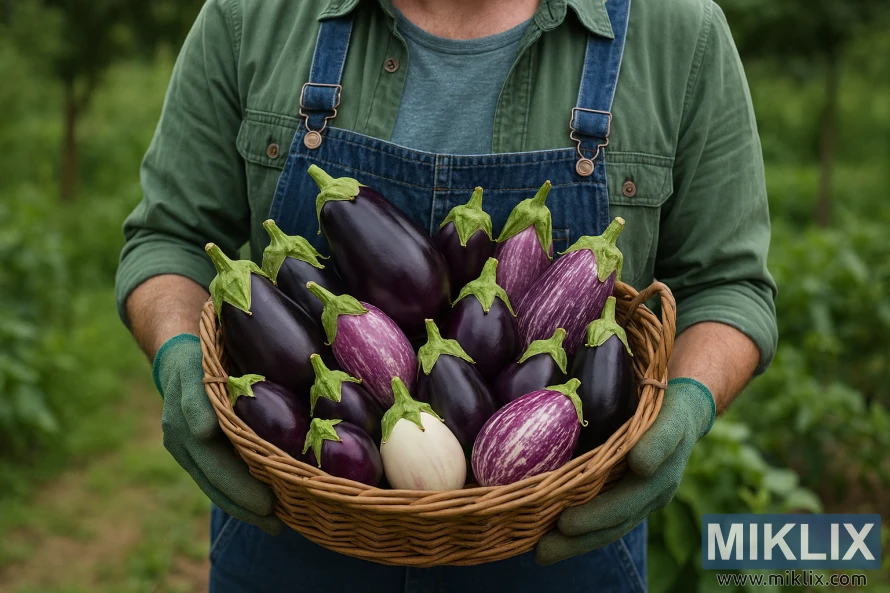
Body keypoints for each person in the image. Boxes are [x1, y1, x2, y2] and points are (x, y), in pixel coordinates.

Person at [116, 0, 777, 590]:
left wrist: (686, 405)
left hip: (560, 549)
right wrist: (177, 352)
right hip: (294, 534)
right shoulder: (251, 15)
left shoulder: (679, 34)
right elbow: (172, 239)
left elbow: (726, 286)